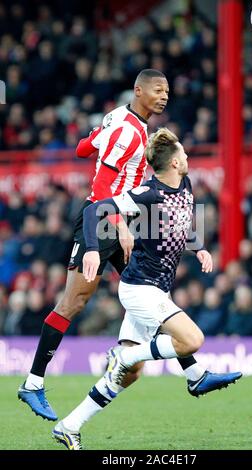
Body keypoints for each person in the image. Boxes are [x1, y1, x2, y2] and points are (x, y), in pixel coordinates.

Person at [18, 69, 211, 421]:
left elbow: (81, 149)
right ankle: (32, 383)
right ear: (139, 90)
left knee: (150, 288)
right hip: (105, 220)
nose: (164, 95)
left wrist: (100, 135)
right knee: (75, 300)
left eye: (167, 90)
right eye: (157, 89)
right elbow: (103, 185)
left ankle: (195, 374)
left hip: (121, 218)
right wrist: (119, 225)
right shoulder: (128, 131)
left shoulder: (119, 120)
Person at [52, 128, 242, 450]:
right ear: (173, 164)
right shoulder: (147, 193)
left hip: (156, 289)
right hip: (140, 289)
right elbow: (94, 210)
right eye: (182, 154)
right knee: (192, 340)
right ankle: (147, 363)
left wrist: (199, 249)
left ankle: (69, 425)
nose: (187, 157)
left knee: (129, 375)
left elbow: (183, 222)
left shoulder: (185, 184)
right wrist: (94, 250)